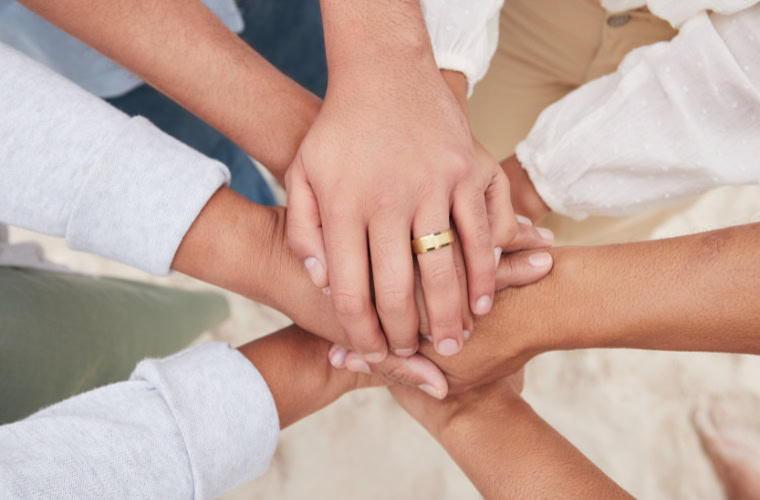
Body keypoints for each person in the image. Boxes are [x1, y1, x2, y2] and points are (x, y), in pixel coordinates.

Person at [8, 0, 516, 362]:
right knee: (262, 209)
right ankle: (316, 260)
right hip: (101, 51)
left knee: (339, 211)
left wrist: (390, 69)